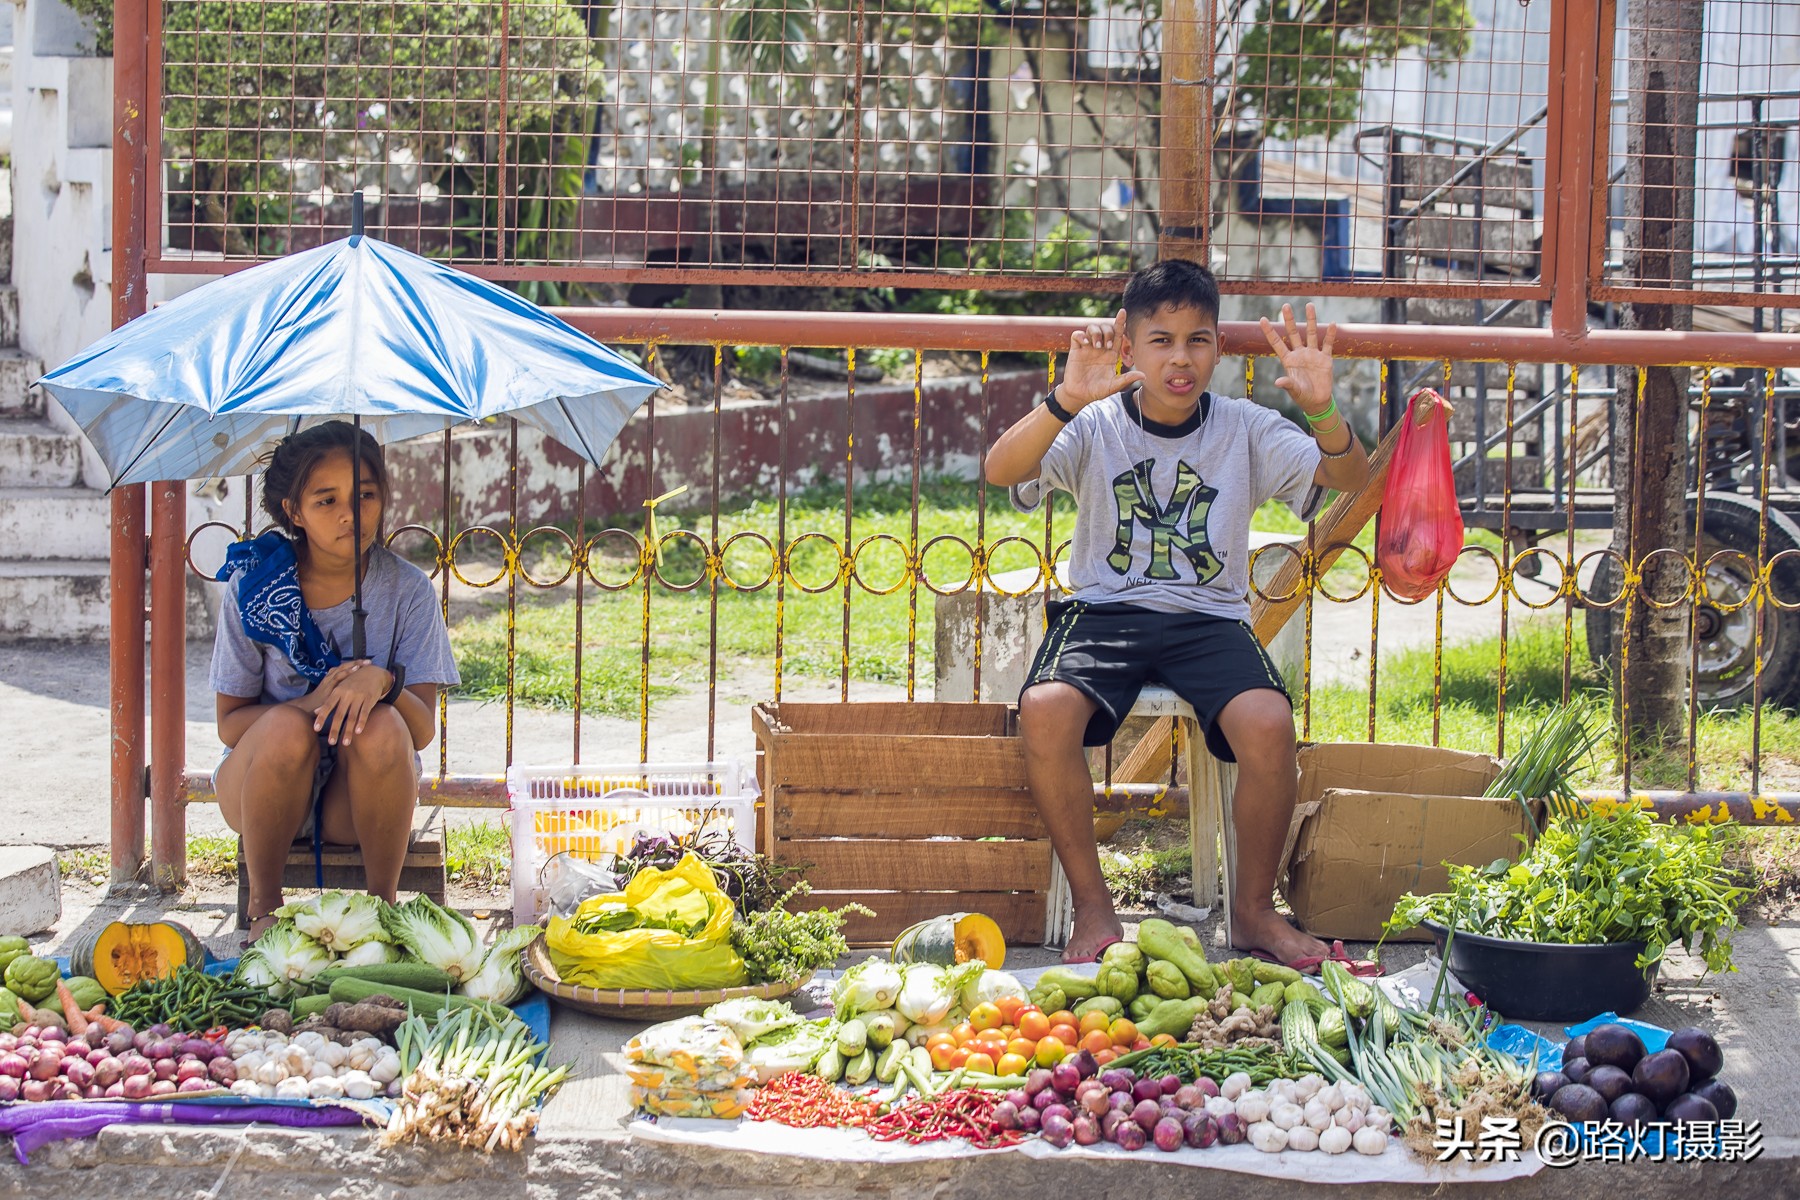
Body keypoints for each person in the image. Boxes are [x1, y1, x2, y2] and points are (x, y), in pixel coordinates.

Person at [983, 260, 1370, 967]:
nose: (1181, 359)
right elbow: (1001, 470)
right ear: (1128, 347)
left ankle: (1253, 913)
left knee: (1268, 722)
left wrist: (1321, 407)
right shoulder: (1094, 423)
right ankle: (1095, 908)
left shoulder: (1245, 428)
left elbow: (1349, 478)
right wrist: (1065, 398)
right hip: (1104, 610)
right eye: (1160, 340)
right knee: (1044, 709)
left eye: (1198, 340)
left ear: (1219, 347)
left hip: (1209, 620)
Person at [210, 421, 460, 940]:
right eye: (327, 501)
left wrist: (382, 683)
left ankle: (382, 912)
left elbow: (420, 731)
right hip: (265, 794)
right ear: (293, 512)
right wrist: (314, 704)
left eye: (365, 495)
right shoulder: (254, 592)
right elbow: (231, 726)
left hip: (360, 804)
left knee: (383, 724)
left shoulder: (407, 591)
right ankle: (264, 912)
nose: (352, 514)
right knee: (284, 729)